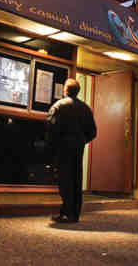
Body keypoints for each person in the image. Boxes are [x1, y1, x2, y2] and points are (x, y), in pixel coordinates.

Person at [46, 78, 97, 223]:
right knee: (76, 178)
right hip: (78, 148)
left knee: (64, 179)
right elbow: (93, 132)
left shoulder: (59, 106)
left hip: (63, 148)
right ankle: (74, 214)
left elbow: (51, 128)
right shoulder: (86, 108)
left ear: (66, 90)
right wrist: (81, 141)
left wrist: (53, 145)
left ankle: (66, 212)